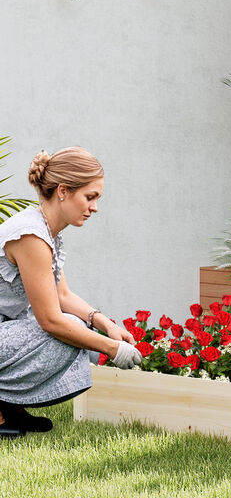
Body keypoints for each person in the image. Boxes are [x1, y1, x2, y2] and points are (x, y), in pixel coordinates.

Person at [0, 147, 141, 438]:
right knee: (70, 329)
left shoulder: (46, 231)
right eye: (90, 197)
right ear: (63, 191)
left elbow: (62, 296)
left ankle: (12, 408)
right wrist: (113, 349)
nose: (95, 207)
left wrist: (106, 325)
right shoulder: (30, 236)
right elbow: (51, 320)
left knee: (81, 326)